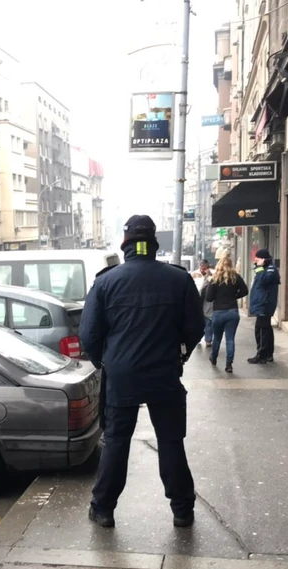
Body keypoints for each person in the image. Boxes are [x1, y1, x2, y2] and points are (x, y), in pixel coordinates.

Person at [80, 214, 205, 529]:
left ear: (126, 244)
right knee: (171, 441)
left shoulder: (105, 282)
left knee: (116, 441)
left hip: (122, 376)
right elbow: (195, 327)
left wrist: (105, 361)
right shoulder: (179, 280)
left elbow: (89, 335)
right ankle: (182, 510)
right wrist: (181, 355)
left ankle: (103, 509)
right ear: (153, 243)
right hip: (164, 373)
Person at [204, 255, 248, 372]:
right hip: (232, 312)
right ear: (231, 265)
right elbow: (245, 291)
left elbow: (208, 298)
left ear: (219, 266)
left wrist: (217, 297)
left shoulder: (215, 279)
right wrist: (235, 296)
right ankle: (229, 364)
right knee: (230, 339)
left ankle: (213, 358)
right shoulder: (236, 277)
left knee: (217, 338)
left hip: (218, 312)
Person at [247, 248, 281, 364]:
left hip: (265, 304)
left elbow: (263, 280)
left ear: (263, 259)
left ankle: (261, 355)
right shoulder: (264, 269)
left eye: (258, 258)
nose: (255, 260)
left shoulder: (271, 269)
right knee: (265, 328)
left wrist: (259, 268)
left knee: (262, 330)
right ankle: (268, 354)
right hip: (262, 304)